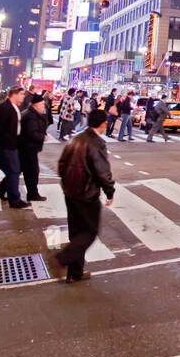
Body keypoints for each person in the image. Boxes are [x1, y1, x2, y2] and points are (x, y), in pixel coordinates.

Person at [56, 109, 116, 283]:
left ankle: (74, 273)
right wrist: (109, 192)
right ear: (103, 124)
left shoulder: (76, 138)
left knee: (76, 233)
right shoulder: (96, 143)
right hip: (87, 194)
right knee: (90, 232)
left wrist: (66, 183)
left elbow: (61, 164)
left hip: (70, 192)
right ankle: (62, 259)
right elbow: (102, 172)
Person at [0, 87, 31, 209]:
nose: (23, 97)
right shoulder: (5, 108)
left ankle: (0, 190)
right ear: (14, 94)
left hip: (13, 144)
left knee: (13, 171)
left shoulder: (14, 107)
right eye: (21, 94)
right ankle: (14, 199)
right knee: (14, 171)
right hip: (6, 146)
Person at [19, 93, 50, 201]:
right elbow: (31, 133)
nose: (43, 106)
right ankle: (32, 194)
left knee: (21, 169)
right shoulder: (30, 116)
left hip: (28, 148)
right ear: (35, 105)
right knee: (32, 172)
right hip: (28, 148)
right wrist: (43, 137)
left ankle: (1, 189)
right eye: (42, 104)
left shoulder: (32, 114)